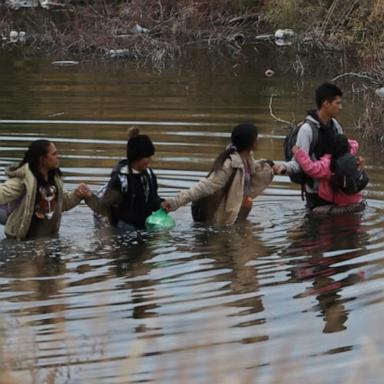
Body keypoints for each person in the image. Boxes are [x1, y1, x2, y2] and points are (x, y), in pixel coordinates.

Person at [162, 123, 274, 225]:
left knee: (247, 204)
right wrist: (175, 202)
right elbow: (203, 187)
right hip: (218, 218)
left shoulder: (247, 158)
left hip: (232, 214)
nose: (259, 140)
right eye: (257, 138)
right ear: (252, 143)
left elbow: (252, 169)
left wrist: (271, 166)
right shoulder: (229, 165)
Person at [274, 83, 344, 210]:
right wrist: (284, 167)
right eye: (337, 103)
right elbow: (298, 163)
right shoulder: (307, 130)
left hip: (335, 188)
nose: (341, 107)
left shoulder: (335, 126)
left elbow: (343, 153)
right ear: (326, 104)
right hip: (316, 193)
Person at [80, 127, 163, 230]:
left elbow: (152, 198)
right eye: (147, 157)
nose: (150, 160)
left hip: (144, 226)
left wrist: (161, 204)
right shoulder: (121, 180)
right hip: (124, 229)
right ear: (136, 157)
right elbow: (104, 207)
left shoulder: (149, 174)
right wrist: (89, 197)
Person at [0, 139, 84, 240]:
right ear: (42, 159)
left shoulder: (54, 179)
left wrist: (77, 195)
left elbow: (62, 204)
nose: (58, 157)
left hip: (48, 238)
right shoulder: (22, 181)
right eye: (54, 154)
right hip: (22, 240)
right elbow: (2, 193)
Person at [292, 134, 365, 214]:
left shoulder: (328, 164)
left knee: (315, 212)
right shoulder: (352, 157)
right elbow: (355, 144)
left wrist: (299, 153)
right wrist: (341, 139)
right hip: (356, 203)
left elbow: (310, 168)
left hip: (339, 206)